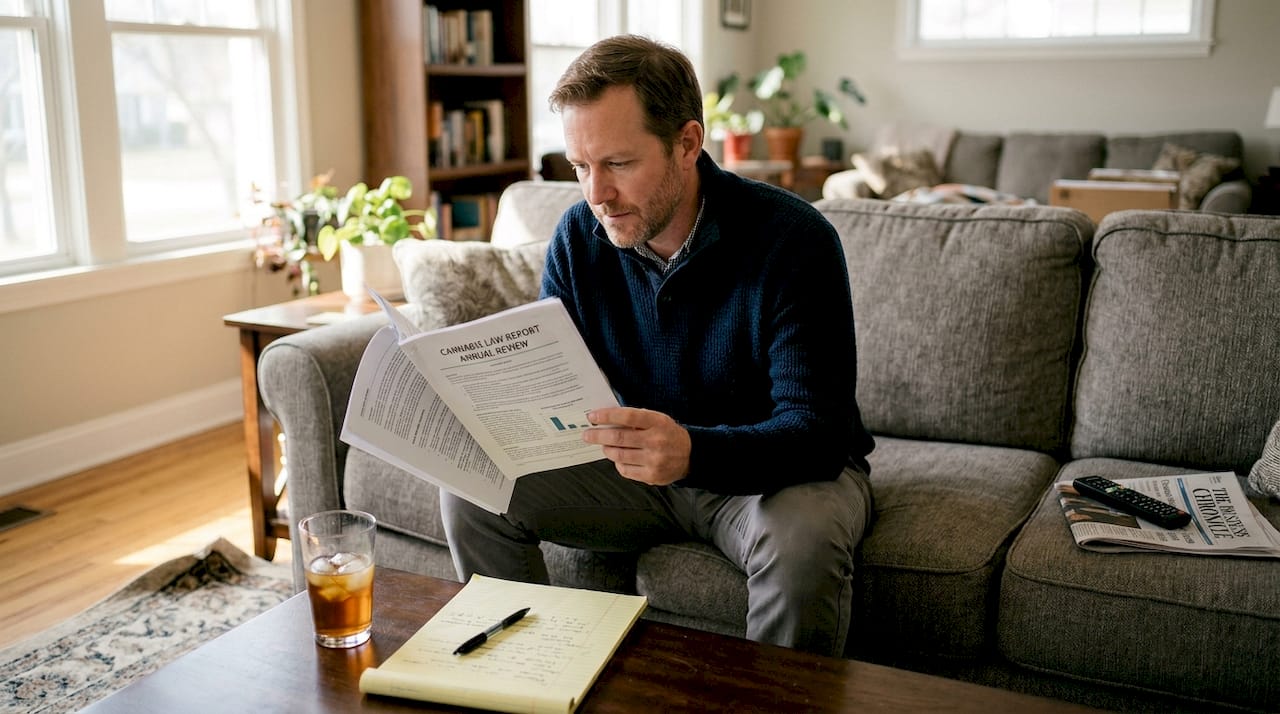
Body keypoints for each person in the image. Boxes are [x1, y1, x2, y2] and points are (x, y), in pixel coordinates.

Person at [439, 34, 875, 657]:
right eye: (580, 167)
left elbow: (819, 432)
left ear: (688, 144)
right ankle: (525, 680)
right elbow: (559, 385)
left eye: (617, 164)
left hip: (773, 476)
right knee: (470, 485)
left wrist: (693, 450)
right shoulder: (577, 239)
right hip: (636, 469)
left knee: (802, 543)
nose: (596, 194)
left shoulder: (794, 240)